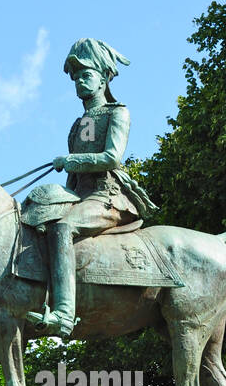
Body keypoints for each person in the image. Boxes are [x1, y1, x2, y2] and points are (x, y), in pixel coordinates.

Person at [24, 37, 155, 338]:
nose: (80, 83)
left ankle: (64, 314)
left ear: (104, 77)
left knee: (62, 229)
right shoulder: (78, 124)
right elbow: (73, 177)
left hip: (108, 196)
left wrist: (71, 160)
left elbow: (112, 157)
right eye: (75, 78)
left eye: (86, 75)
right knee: (33, 219)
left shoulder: (116, 112)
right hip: (80, 196)